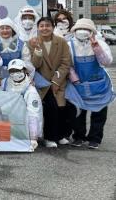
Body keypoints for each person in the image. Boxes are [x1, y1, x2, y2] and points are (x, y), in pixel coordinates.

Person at [64, 18, 114, 149]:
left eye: (86, 29)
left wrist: (96, 48)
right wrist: (75, 79)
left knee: (99, 112)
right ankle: (78, 137)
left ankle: (95, 138)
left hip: (99, 84)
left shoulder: (101, 43)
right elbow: (67, 64)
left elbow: (106, 62)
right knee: (78, 112)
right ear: (74, 31)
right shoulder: (69, 45)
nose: (82, 31)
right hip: (78, 83)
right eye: (79, 29)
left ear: (92, 31)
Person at [23, 16, 72, 148]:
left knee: (63, 107)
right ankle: (49, 137)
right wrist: (38, 50)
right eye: (42, 26)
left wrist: (56, 81)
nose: (45, 28)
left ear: (53, 27)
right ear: (38, 28)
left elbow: (66, 63)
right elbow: (34, 65)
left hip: (58, 81)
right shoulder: (31, 42)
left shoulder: (61, 42)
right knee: (51, 107)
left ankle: (60, 135)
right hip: (41, 82)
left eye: (48, 25)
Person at [0, 59, 42, 151]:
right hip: (7, 120)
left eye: (18, 70)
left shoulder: (30, 90)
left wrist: (33, 138)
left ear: (24, 70)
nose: (15, 74)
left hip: (22, 124)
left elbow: (33, 114)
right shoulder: (5, 83)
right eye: (12, 71)